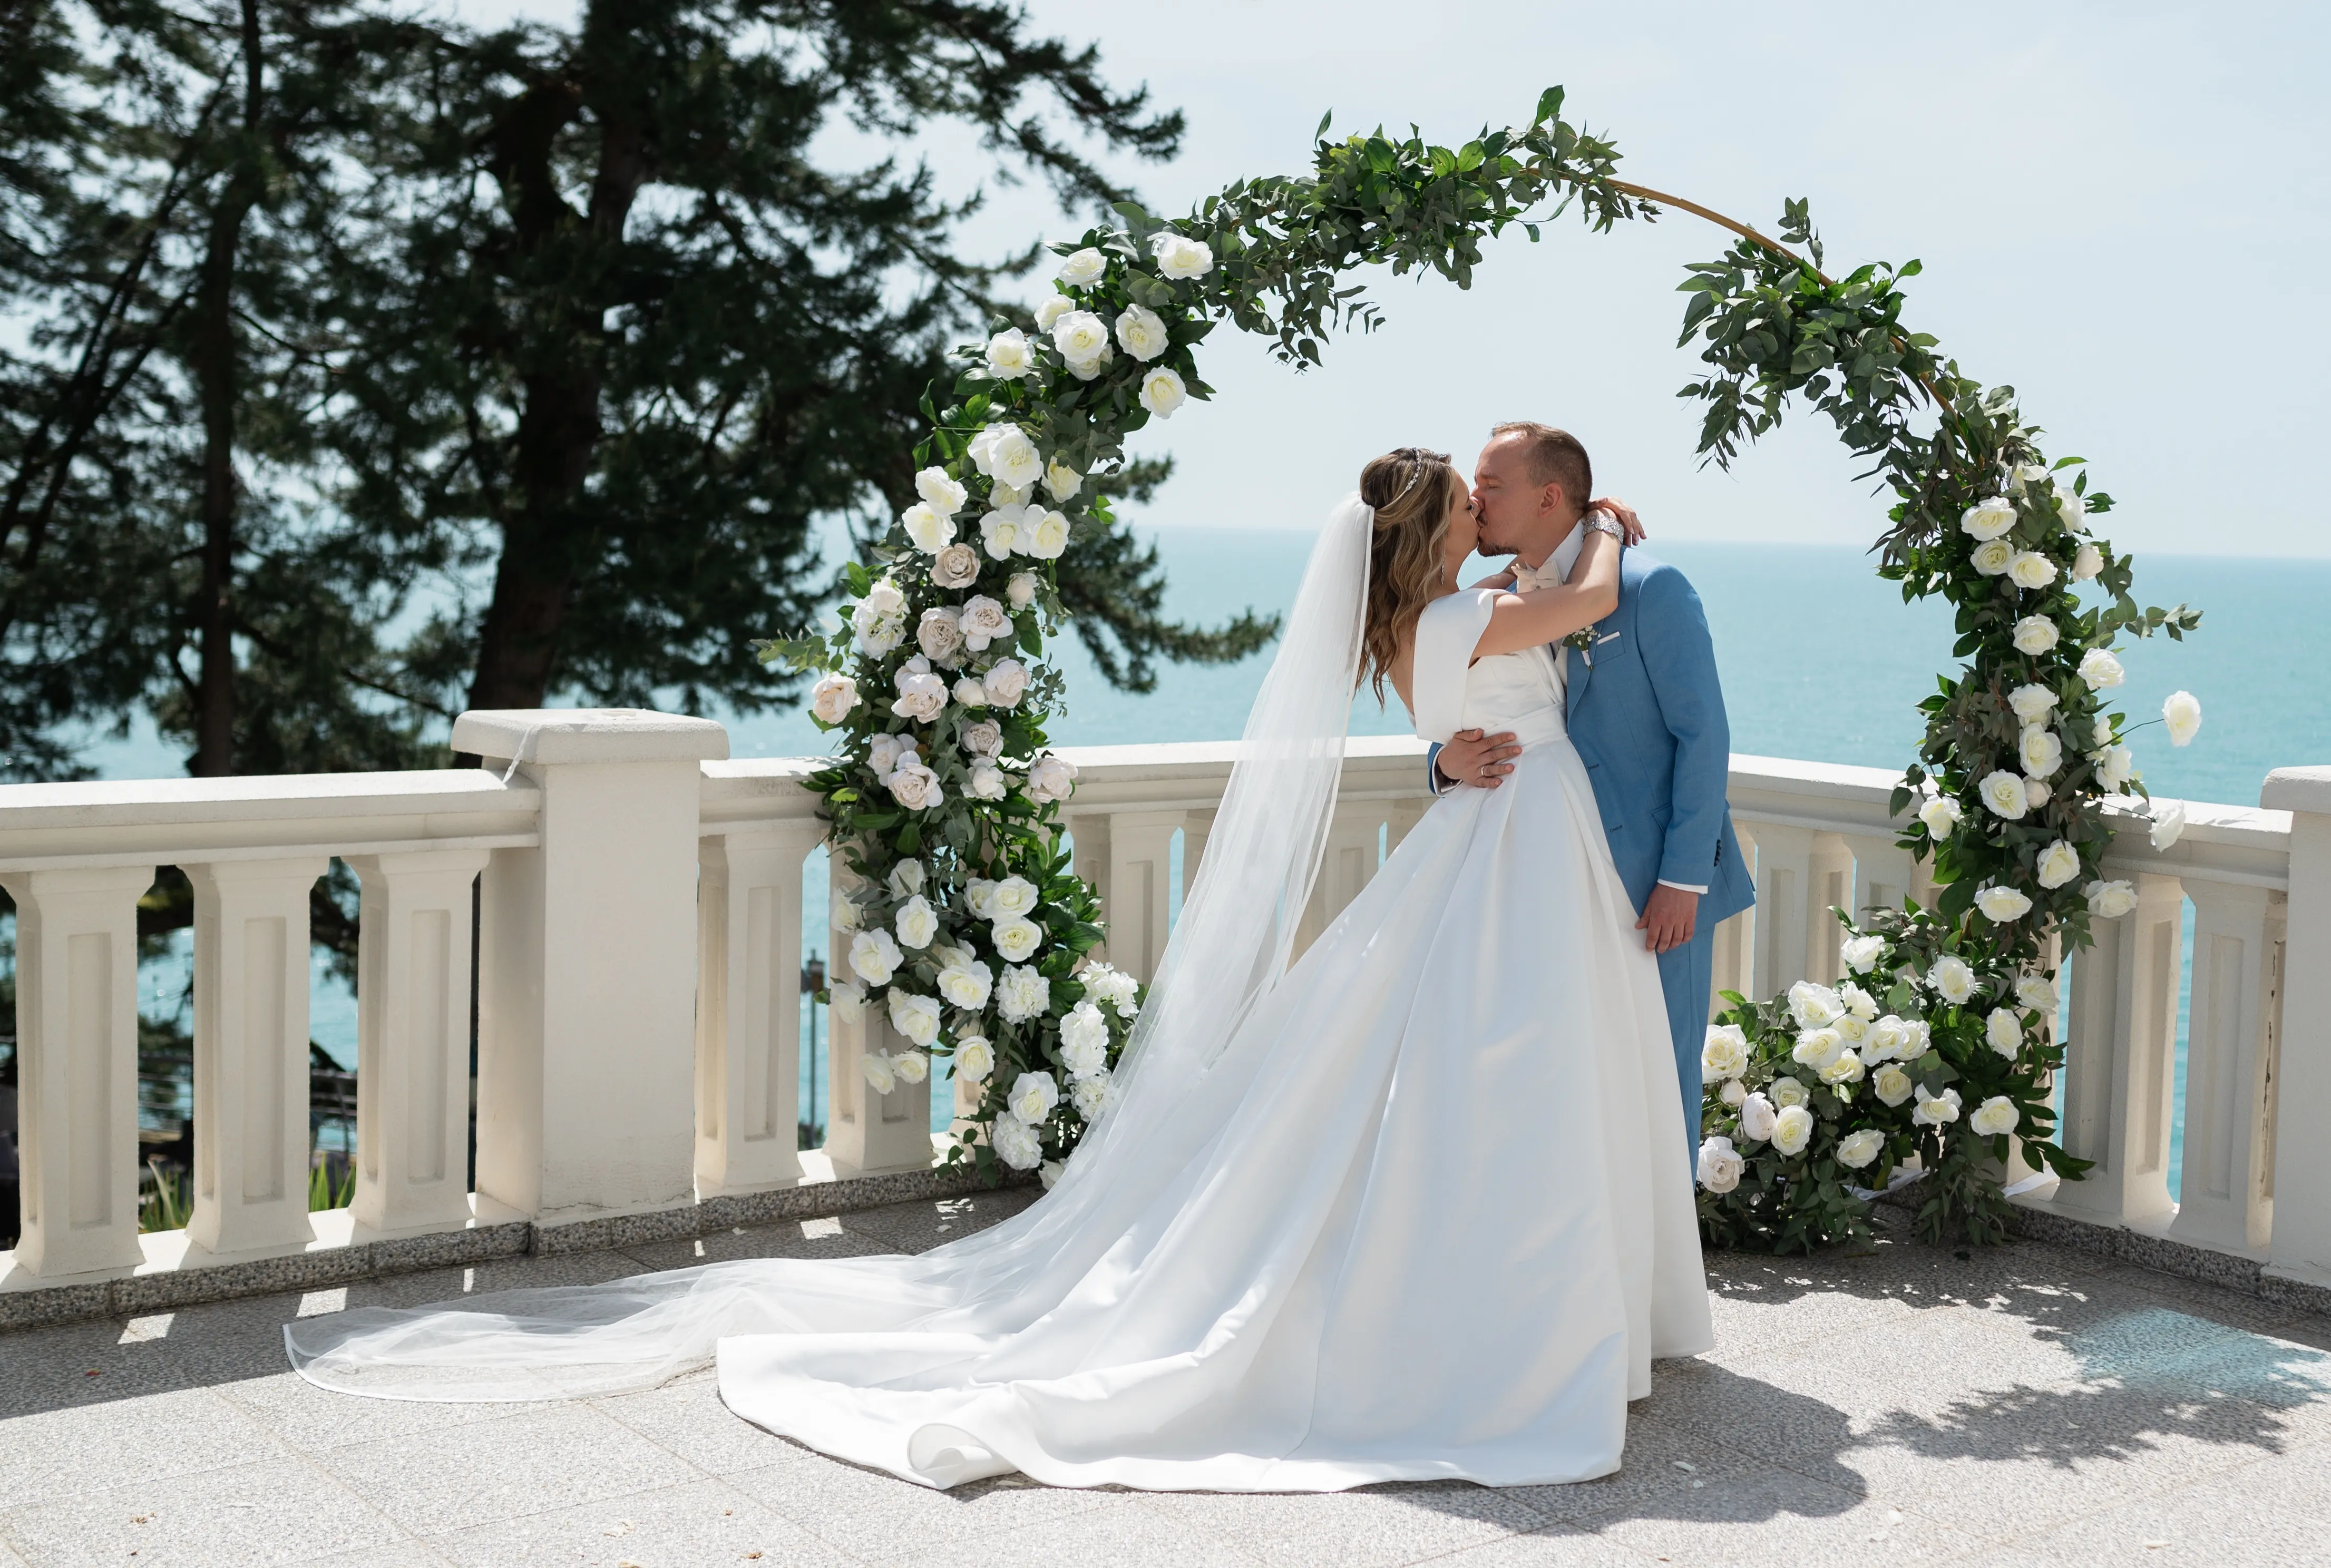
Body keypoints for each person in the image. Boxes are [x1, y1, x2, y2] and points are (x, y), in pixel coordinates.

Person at [286, 446, 1712, 1493]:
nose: (1479, 509)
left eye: (1488, 494)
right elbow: (1584, 607)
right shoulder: (1469, 613)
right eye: (1464, 501)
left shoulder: (1427, 619)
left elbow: (1478, 692)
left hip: (1500, 840)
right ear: (1426, 535)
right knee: (1495, 1074)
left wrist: (1454, 737)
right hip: (1507, 850)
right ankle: (1501, 1319)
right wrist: (1597, 529)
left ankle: (1520, 1298)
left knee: (1476, 1076)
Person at [1429, 424, 1754, 1150]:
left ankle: (1670, 1228)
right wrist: (1444, 763)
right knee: (1573, 1078)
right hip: (1550, 884)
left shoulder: (1648, 587)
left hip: (1650, 885)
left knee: (1660, 1073)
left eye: (1491, 486)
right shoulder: (1494, 600)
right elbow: (1471, 709)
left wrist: (1682, 881)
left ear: (1549, 498)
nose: (1475, 501)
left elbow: (1703, 737)